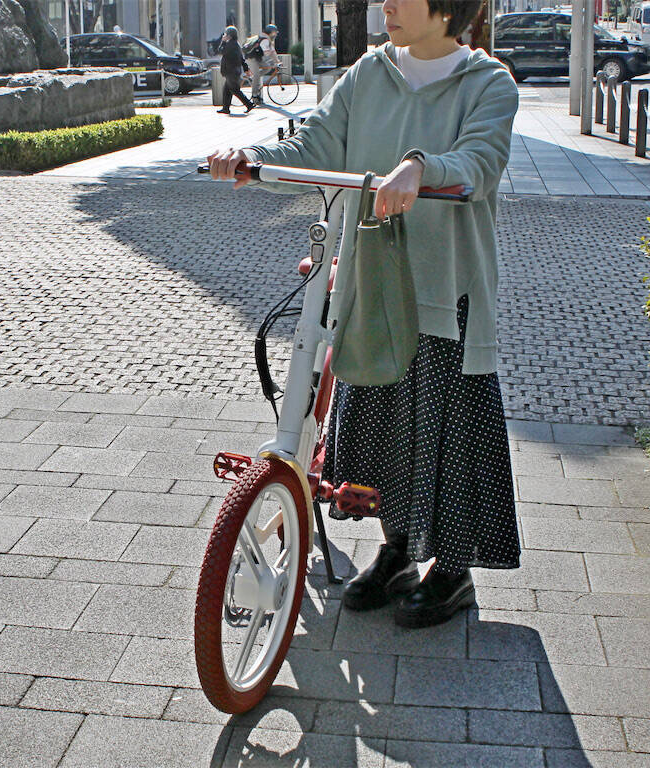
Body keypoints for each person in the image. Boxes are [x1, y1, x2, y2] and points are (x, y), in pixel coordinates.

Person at [208, 0, 520, 629]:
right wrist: (251, 161)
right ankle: (398, 550)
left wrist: (422, 167)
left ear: (447, 9)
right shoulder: (367, 75)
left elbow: (481, 162)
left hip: (443, 287)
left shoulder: (488, 83)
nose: (387, 5)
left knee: (447, 428)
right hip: (368, 278)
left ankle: (452, 571)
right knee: (378, 418)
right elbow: (314, 142)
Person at [216, 26, 254, 115]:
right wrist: (246, 69)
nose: (224, 36)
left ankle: (249, 104)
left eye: (226, 34)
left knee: (234, 90)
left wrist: (223, 42)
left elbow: (221, 51)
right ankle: (226, 108)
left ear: (229, 35)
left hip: (231, 71)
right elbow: (242, 59)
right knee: (227, 90)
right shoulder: (235, 44)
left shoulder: (231, 45)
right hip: (232, 71)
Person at [247, 24, 280, 105]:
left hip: (258, 58)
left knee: (268, 68)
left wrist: (278, 61)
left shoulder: (268, 40)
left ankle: (253, 78)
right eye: (275, 33)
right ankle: (254, 95)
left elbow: (273, 52)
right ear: (271, 32)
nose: (275, 34)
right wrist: (274, 60)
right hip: (251, 58)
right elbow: (268, 52)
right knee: (257, 75)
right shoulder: (265, 40)